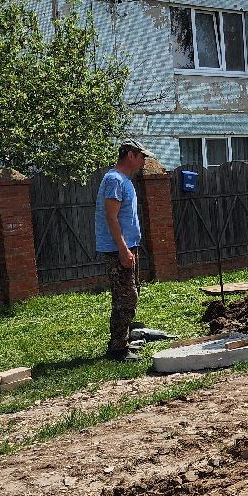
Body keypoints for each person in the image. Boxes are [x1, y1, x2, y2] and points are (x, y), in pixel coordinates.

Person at [95, 140, 147, 361]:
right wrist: (123, 249)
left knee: (131, 294)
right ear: (130, 155)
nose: (144, 160)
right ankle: (117, 348)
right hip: (117, 249)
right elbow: (111, 217)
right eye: (142, 156)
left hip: (128, 247)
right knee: (125, 298)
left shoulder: (125, 180)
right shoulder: (114, 180)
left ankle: (125, 339)